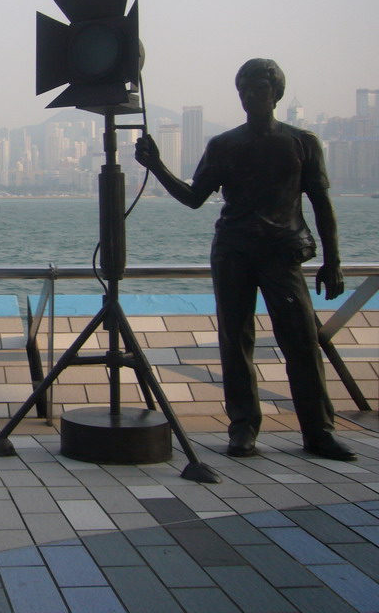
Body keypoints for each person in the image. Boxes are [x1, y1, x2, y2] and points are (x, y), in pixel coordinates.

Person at [134, 58, 355, 462]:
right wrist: (157, 166)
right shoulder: (224, 145)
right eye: (243, 90)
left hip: (282, 253)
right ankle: (243, 428)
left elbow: (322, 203)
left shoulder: (303, 142)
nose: (249, 96)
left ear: (276, 93)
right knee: (235, 342)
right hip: (233, 252)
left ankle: (319, 431)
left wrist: (333, 260)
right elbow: (194, 197)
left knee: (303, 342)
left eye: (258, 88)